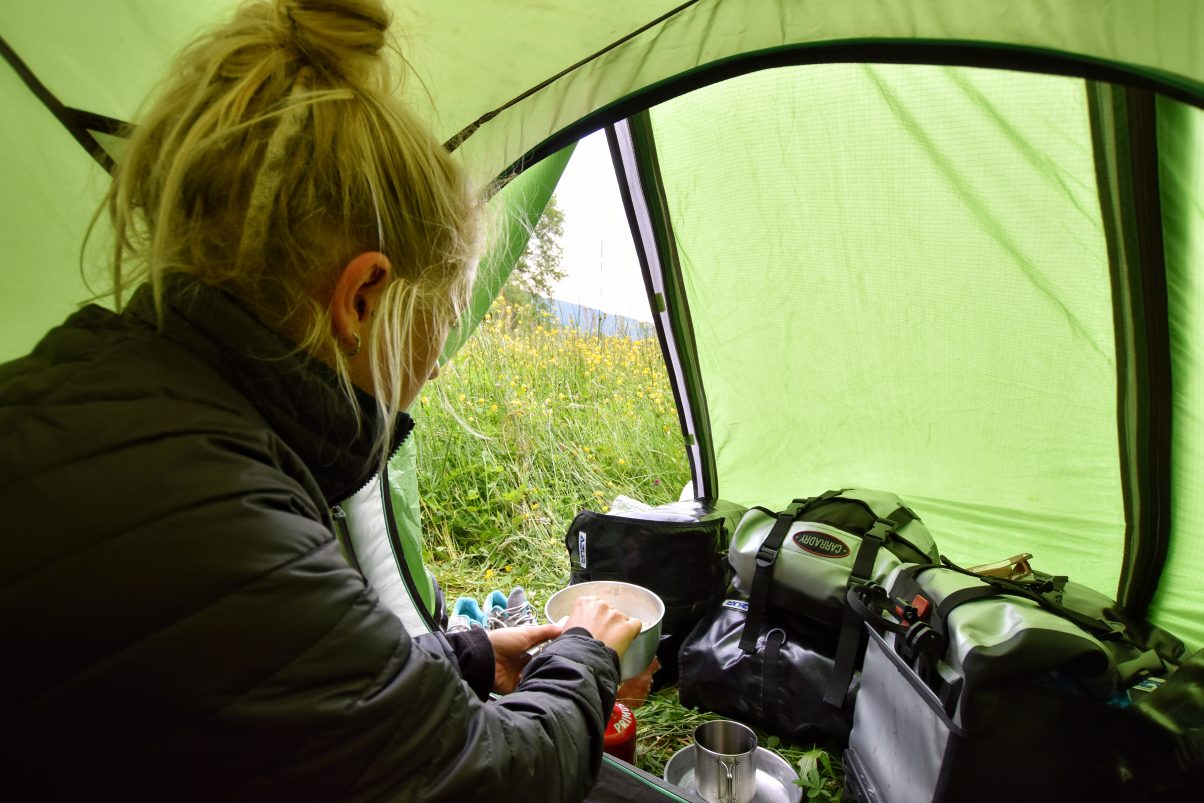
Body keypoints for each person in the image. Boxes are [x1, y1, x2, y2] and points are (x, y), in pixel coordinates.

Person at [0, 0, 643, 800]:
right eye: (437, 327)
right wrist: (586, 655)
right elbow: (488, 782)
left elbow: (262, 675)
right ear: (363, 296)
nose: (434, 370)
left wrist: (472, 656)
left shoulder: (93, 397)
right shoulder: (228, 525)